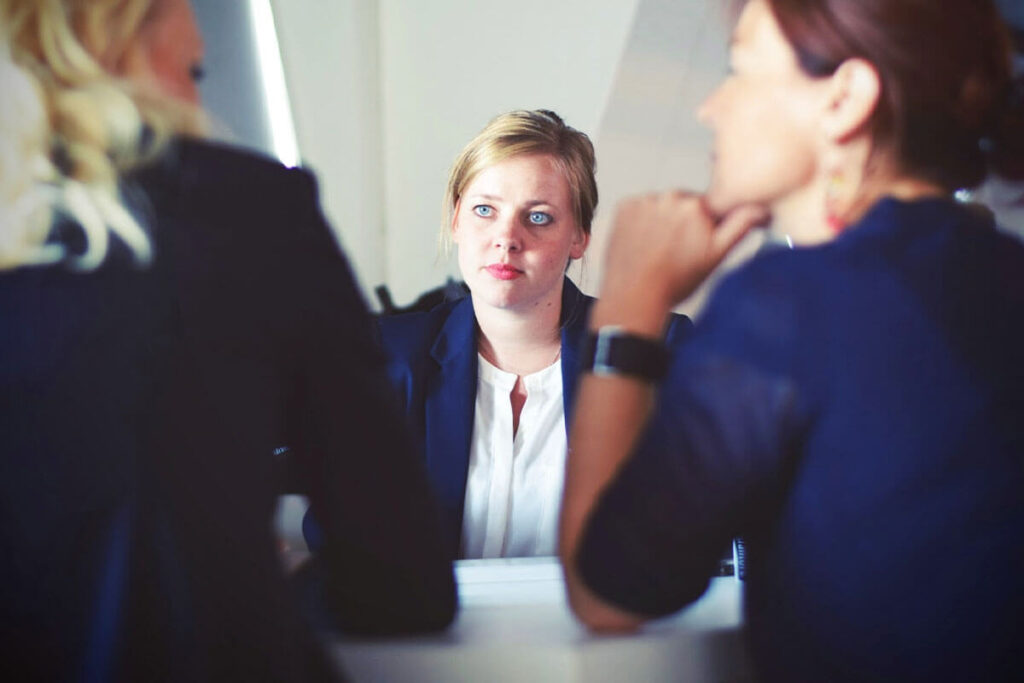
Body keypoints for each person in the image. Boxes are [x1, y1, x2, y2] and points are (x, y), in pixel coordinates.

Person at [559, 0, 1024, 681]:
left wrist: (630, 299)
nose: (710, 108)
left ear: (844, 99)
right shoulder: (1005, 275)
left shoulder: (787, 303)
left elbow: (606, 591)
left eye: (739, 70)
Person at [0, 0, 455, 681]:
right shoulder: (251, 213)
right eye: (198, 70)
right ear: (120, 30)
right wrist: (254, 567)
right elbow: (401, 579)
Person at [368, 110, 690, 559]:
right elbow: (341, 546)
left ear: (579, 237)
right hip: (428, 628)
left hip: (596, 628)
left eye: (538, 218)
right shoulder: (389, 358)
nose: (506, 238)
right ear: (457, 219)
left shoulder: (655, 349)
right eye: (485, 210)